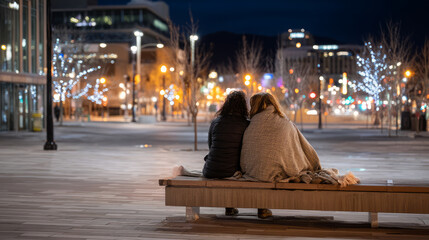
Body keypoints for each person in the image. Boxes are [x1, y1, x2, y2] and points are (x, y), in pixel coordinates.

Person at [240, 92, 322, 218]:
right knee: (291, 162)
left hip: (253, 172)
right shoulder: (285, 122)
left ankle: (262, 207)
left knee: (268, 165)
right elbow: (298, 147)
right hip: (275, 172)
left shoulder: (251, 125)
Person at [203, 90, 249, 216]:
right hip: (232, 170)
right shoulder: (246, 124)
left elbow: (210, 145)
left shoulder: (216, 122)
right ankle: (261, 208)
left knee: (227, 162)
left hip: (210, 169)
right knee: (238, 165)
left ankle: (229, 206)